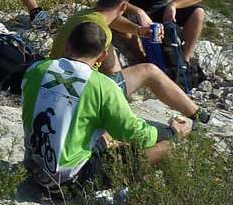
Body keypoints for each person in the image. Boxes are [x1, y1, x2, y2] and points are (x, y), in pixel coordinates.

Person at [22, 21, 191, 191]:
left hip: (31, 169)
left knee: (106, 132)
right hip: (69, 182)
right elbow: (134, 133)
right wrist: (172, 133)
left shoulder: (37, 69)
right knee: (168, 148)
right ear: (102, 57)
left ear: (67, 45)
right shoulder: (103, 86)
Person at [49, 0, 209, 124]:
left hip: (55, 83)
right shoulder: (101, 33)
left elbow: (113, 19)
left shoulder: (86, 17)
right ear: (124, 6)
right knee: (150, 71)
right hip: (77, 95)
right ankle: (198, 115)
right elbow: (113, 73)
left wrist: (138, 31)